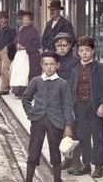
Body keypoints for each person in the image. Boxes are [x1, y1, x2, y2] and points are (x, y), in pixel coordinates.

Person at [22, 51, 74, 182]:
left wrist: (68, 126)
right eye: (46, 64)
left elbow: (67, 106)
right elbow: (26, 99)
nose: (49, 67)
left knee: (55, 152)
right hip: (38, 121)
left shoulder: (62, 84)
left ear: (58, 65)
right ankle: (28, 179)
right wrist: (31, 113)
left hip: (55, 122)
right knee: (33, 150)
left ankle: (57, 179)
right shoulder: (36, 81)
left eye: (52, 64)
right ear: (41, 65)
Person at [68, 36, 103, 179]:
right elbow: (71, 89)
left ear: (93, 51)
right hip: (79, 107)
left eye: (87, 50)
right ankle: (86, 164)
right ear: (77, 53)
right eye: (81, 50)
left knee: (97, 138)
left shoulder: (100, 68)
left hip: (95, 108)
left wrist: (102, 105)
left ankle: (98, 166)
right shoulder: (75, 70)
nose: (84, 53)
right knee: (83, 137)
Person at [54, 32, 81, 172]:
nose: (62, 48)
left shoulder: (75, 62)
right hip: (57, 102)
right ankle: (67, 158)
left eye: (65, 45)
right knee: (60, 131)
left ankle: (77, 161)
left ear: (70, 46)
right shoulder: (54, 61)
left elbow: (77, 82)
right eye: (58, 45)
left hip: (72, 101)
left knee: (74, 131)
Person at [11, 10, 40, 96]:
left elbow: (35, 44)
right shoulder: (21, 29)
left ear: (31, 20)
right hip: (20, 55)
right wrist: (17, 45)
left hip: (30, 55)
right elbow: (16, 40)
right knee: (19, 72)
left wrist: (25, 47)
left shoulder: (33, 31)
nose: (25, 21)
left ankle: (28, 92)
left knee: (28, 73)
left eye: (27, 19)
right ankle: (19, 90)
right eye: (24, 19)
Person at [0, 11, 17, 95]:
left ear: (6, 19)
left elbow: (15, 40)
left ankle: (4, 88)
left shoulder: (11, 29)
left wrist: (7, 47)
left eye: (3, 19)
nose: (1, 21)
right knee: (0, 70)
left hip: (6, 51)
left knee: (4, 70)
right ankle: (6, 84)